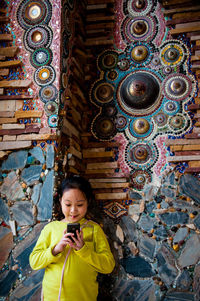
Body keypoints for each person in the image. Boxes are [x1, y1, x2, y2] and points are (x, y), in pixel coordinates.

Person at [29, 175, 115, 301]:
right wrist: (55, 250)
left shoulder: (94, 229)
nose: (73, 210)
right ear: (60, 201)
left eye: (80, 205)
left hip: (84, 297)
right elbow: (34, 262)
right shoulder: (50, 228)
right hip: (53, 297)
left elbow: (108, 266)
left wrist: (83, 249)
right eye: (68, 204)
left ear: (88, 202)